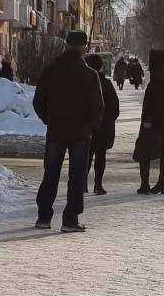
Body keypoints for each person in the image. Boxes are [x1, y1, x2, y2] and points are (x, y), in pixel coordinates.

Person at [32, 28, 104, 232]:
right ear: (84, 48)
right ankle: (70, 220)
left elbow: (38, 101)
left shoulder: (50, 70)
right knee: (77, 177)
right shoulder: (90, 75)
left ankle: (44, 217)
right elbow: (98, 107)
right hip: (81, 133)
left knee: (51, 174)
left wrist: (49, 119)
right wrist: (91, 126)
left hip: (56, 130)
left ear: (66, 45)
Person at [134, 48, 164, 194]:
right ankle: (161, 183)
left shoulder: (157, 80)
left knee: (144, 153)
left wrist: (148, 120)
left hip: (152, 124)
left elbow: (155, 103)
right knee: (163, 152)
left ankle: (145, 184)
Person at [87, 53, 121, 194]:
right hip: (103, 128)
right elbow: (115, 107)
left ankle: (81, 184)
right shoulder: (106, 83)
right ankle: (98, 185)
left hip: (86, 128)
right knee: (100, 157)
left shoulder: (84, 82)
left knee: (85, 157)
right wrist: (108, 120)